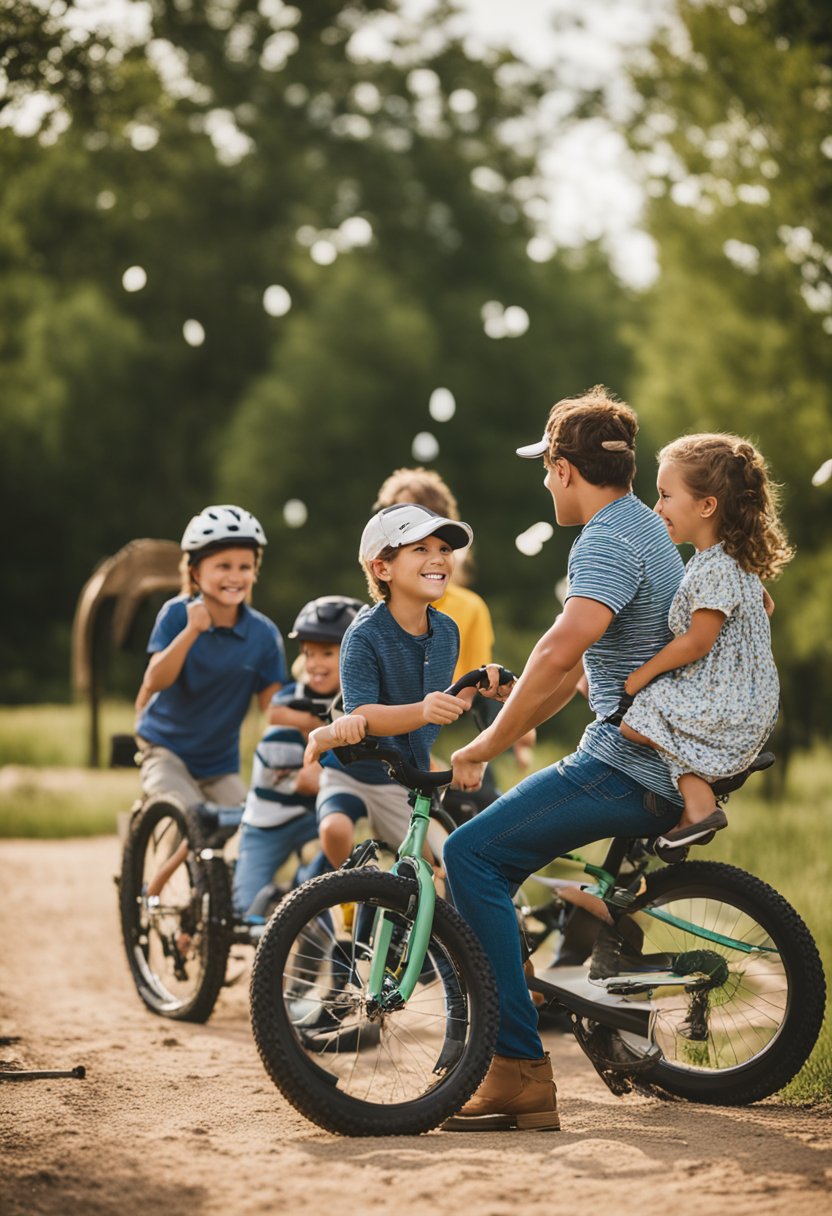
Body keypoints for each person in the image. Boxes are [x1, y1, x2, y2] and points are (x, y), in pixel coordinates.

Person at [441, 386, 687, 1133]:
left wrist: (483, 744)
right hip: (651, 756)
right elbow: (568, 674)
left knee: (467, 854)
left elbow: (559, 650)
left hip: (626, 767)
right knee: (495, 867)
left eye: (547, 468)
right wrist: (522, 698)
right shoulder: (643, 526)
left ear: (563, 467)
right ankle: (516, 1003)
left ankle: (517, 1068)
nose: (546, 483)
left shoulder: (606, 540)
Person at [617, 433, 792, 859]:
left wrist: (642, 675)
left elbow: (698, 641)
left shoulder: (715, 566)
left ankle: (699, 806)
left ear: (706, 506)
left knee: (640, 717)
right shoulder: (728, 560)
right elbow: (762, 608)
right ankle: (703, 788)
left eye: (665, 495)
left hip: (734, 703)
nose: (657, 507)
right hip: (747, 697)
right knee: (664, 718)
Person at [305, 503, 508, 867]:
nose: (440, 559)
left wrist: (479, 683)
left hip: (409, 775)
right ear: (382, 568)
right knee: (337, 831)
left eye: (444, 550)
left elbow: (444, 700)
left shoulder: (446, 631)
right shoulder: (364, 635)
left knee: (437, 869)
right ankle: (349, 894)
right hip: (361, 766)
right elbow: (364, 713)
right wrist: (423, 710)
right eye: (421, 549)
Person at [373, 466, 535, 787]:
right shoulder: (379, 617)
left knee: (481, 808)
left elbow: (475, 691)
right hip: (395, 736)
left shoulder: (469, 607)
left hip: (452, 728)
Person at [134, 505, 287, 811]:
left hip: (219, 765)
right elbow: (155, 680)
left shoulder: (264, 635)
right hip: (166, 748)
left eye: (245, 567)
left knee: (247, 823)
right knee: (187, 813)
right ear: (195, 571)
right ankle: (148, 849)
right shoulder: (176, 614)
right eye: (223, 566)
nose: (235, 576)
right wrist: (192, 631)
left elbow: (273, 710)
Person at [231, 595, 364, 920]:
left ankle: (308, 889)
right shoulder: (293, 697)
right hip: (269, 818)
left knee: (338, 846)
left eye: (327, 654)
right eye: (309, 654)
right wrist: (318, 725)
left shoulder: (359, 701)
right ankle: (273, 902)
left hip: (313, 817)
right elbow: (275, 712)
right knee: (245, 912)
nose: (315, 663)